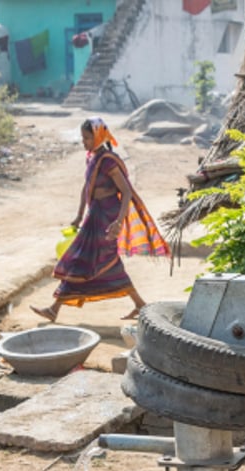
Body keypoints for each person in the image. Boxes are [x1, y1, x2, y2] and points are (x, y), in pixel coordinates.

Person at [30, 117, 168, 322]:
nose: (83, 142)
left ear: (98, 136)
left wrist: (119, 221)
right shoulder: (91, 158)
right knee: (93, 261)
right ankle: (139, 304)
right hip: (94, 215)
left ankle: (54, 308)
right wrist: (78, 215)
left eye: (86, 138)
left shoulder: (108, 161)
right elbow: (86, 188)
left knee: (90, 259)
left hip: (108, 217)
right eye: (82, 138)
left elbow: (127, 193)